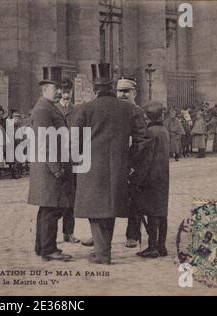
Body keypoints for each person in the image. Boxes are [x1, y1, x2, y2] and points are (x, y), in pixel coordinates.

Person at [73, 64, 150, 264]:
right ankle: (102, 250)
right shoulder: (129, 109)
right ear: (112, 85)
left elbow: (74, 141)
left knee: (96, 209)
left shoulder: (85, 109)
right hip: (118, 166)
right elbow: (143, 139)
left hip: (90, 167)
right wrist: (130, 160)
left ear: (94, 88)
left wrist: (80, 158)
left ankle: (102, 253)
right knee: (110, 206)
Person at [28, 66, 75, 262]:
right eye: (56, 88)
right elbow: (45, 141)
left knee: (46, 208)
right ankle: (49, 248)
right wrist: (56, 168)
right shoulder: (43, 109)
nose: (59, 91)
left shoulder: (46, 107)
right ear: (46, 88)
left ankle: (42, 247)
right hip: (50, 168)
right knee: (52, 208)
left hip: (48, 166)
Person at [130, 102, 169, 258]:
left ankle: (152, 247)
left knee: (151, 213)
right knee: (162, 213)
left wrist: (136, 179)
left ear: (147, 117)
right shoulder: (164, 131)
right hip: (163, 177)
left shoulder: (150, 133)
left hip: (150, 178)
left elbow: (145, 159)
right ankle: (161, 246)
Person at [116, 76, 146, 249]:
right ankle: (101, 234)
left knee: (134, 200)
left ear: (134, 92)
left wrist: (132, 164)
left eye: (126, 91)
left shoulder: (137, 112)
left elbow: (141, 140)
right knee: (108, 199)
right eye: (120, 91)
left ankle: (133, 235)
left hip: (131, 165)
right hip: (114, 162)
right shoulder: (114, 111)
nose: (122, 95)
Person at [54, 77, 80, 244]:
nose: (66, 95)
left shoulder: (76, 111)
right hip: (56, 159)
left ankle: (68, 232)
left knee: (71, 198)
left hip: (71, 159)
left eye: (69, 92)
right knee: (55, 198)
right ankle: (51, 235)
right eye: (63, 92)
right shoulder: (53, 110)